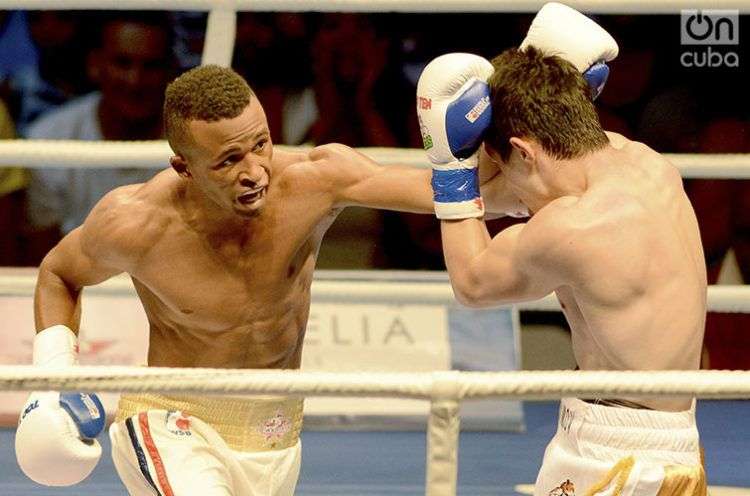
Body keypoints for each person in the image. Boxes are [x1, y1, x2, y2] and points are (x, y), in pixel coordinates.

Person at [14, 63, 526, 494]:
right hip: (170, 420)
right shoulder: (135, 223)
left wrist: (483, 138)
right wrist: (52, 382)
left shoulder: (316, 180)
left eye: (260, 144)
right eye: (228, 160)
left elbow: (490, 195)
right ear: (183, 167)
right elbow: (59, 273)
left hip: (276, 434)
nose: (255, 170)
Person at [416, 3, 706, 495]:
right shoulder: (647, 164)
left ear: (525, 152)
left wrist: (451, 169)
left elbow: (472, 282)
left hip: (617, 453)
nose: (519, 201)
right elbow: (521, 166)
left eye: (509, 170)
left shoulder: (573, 227)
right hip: (668, 437)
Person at [23, 12, 174, 264]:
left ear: (170, 71)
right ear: (95, 64)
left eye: (151, 66)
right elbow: (46, 260)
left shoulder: (197, 140)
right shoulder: (48, 138)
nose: (135, 81)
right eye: (122, 63)